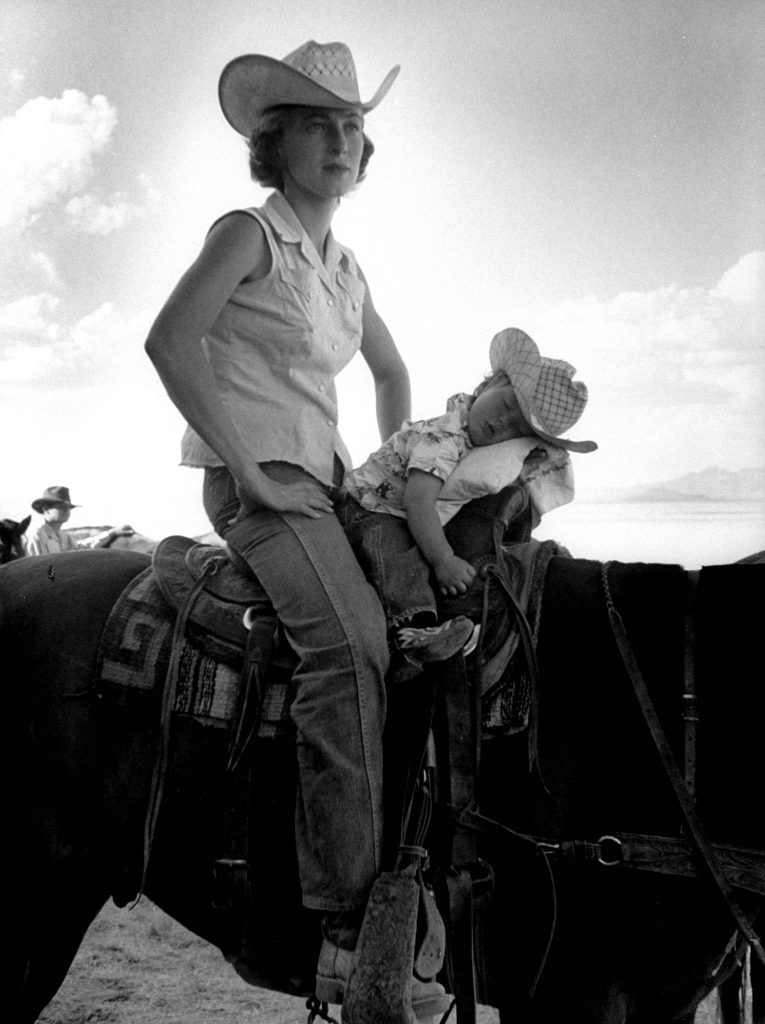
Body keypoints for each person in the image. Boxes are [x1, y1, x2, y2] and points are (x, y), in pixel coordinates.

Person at [144, 40, 450, 1019]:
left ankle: (420, 857)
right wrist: (239, 465)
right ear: (277, 143)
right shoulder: (249, 232)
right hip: (260, 481)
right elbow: (169, 336)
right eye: (320, 123)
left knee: (426, 634)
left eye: (355, 125)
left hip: (321, 482)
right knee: (351, 648)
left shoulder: (346, 268)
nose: (342, 139)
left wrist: (387, 470)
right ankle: (344, 924)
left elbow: (392, 373)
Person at [341, 327, 597, 674]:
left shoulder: (467, 439)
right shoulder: (443, 438)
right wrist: (444, 560)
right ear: (488, 385)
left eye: (517, 430)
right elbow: (419, 504)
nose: (501, 423)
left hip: (390, 506)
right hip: (365, 507)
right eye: (507, 405)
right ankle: (405, 636)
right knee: (397, 554)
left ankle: (441, 627)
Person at [25, 485, 134, 556]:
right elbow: (39, 568)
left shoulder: (63, 536)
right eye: (61, 507)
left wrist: (112, 533)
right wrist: (55, 582)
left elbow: (83, 548)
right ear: (46, 510)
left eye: (68, 507)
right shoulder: (37, 536)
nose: (66, 510)